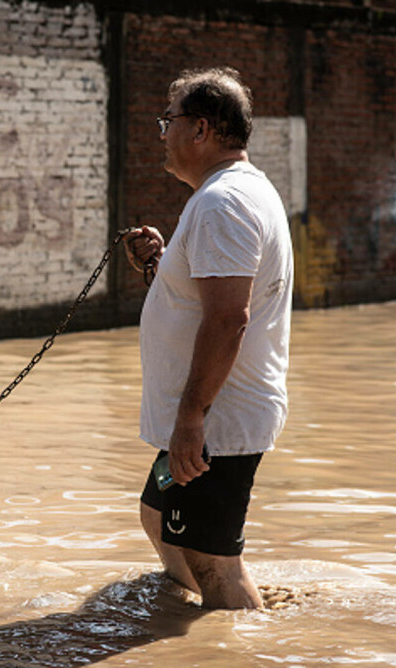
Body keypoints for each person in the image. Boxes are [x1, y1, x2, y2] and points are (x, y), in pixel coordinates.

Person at [125, 67, 293, 609]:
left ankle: (244, 638)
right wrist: (163, 264)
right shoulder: (226, 196)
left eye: (167, 122)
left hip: (213, 423)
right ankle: (188, 630)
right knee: (159, 518)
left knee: (210, 558)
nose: (162, 134)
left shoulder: (223, 204)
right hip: (202, 419)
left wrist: (191, 419)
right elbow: (204, 300)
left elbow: (227, 319)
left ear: (200, 130)